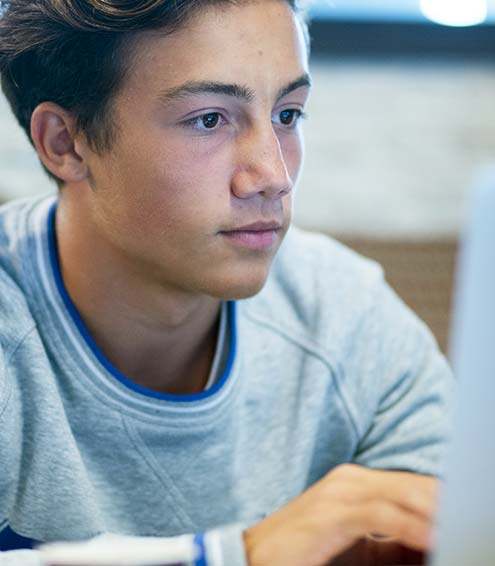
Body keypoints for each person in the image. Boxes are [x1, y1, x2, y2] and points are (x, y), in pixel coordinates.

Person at [0, 0, 454, 564]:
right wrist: (233, 555)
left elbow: (486, 531)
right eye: (209, 118)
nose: (274, 176)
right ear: (64, 142)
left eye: (288, 114)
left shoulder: (345, 316)